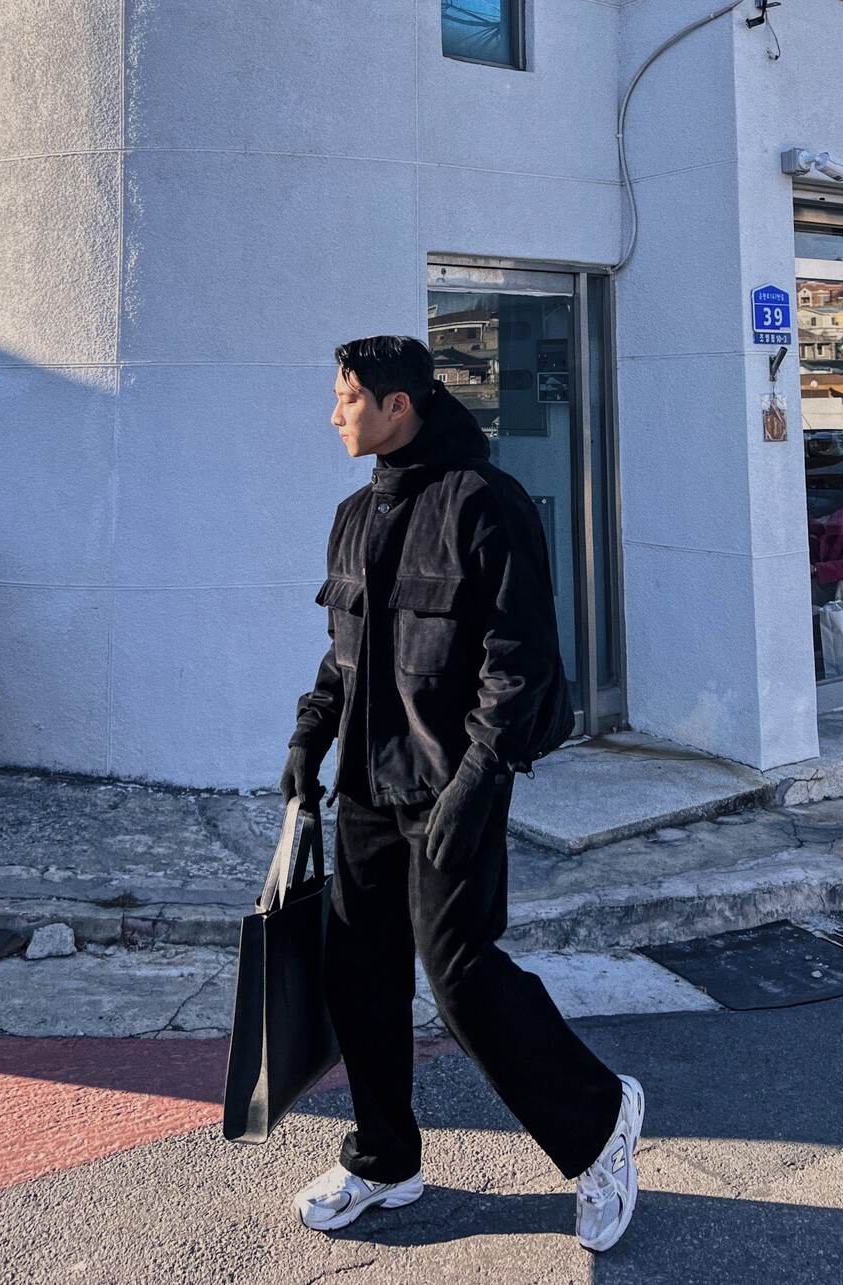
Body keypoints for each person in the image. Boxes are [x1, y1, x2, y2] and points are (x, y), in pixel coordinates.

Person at [280, 335, 643, 1253]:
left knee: (463, 979)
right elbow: (344, 654)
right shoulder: (354, 515)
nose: (334, 413)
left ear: (397, 405)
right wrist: (309, 737)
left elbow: (522, 664)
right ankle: (384, 1159)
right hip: (367, 787)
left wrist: (480, 781)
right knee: (357, 974)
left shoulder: (486, 503)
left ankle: (599, 1123)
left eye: (348, 397)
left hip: (451, 786)